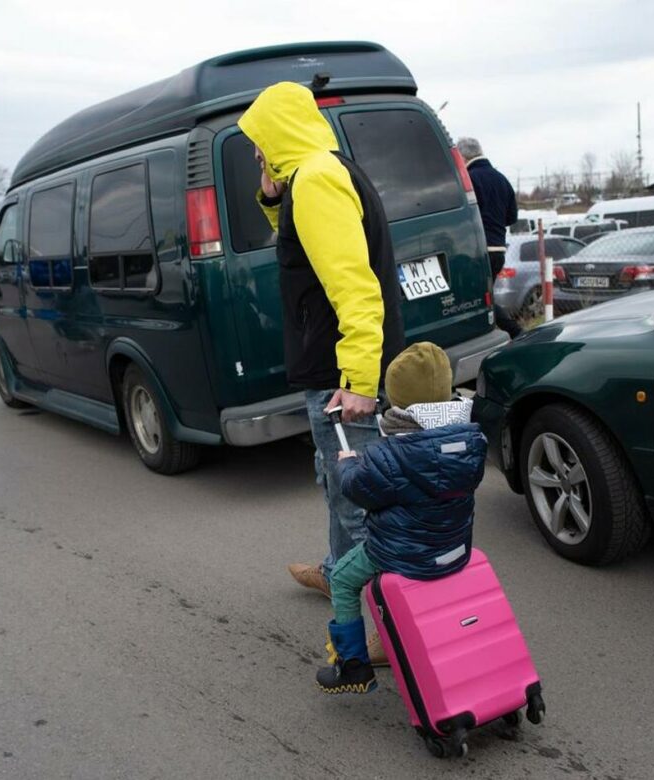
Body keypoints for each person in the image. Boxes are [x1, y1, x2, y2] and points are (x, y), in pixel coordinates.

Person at [238, 82, 406, 664]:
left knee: (359, 502)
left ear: (278, 136)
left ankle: (389, 628)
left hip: (342, 375)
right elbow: (304, 250)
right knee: (340, 485)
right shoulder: (319, 175)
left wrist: (358, 381)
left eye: (259, 145)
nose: (257, 155)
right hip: (331, 366)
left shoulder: (315, 182)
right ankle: (338, 573)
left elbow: (356, 289)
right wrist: (270, 197)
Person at [316, 342, 487, 694]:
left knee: (345, 579)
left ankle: (353, 665)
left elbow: (357, 490)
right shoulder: (472, 440)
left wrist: (347, 462)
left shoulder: (390, 454)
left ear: (398, 400)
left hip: (402, 552)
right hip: (454, 547)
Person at [457, 137, 523, 339]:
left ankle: (515, 331)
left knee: (476, 297)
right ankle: (504, 331)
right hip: (499, 250)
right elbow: (511, 217)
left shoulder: (469, 179)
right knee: (483, 296)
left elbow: (464, 216)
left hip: (478, 250)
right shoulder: (502, 179)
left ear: (463, 156)